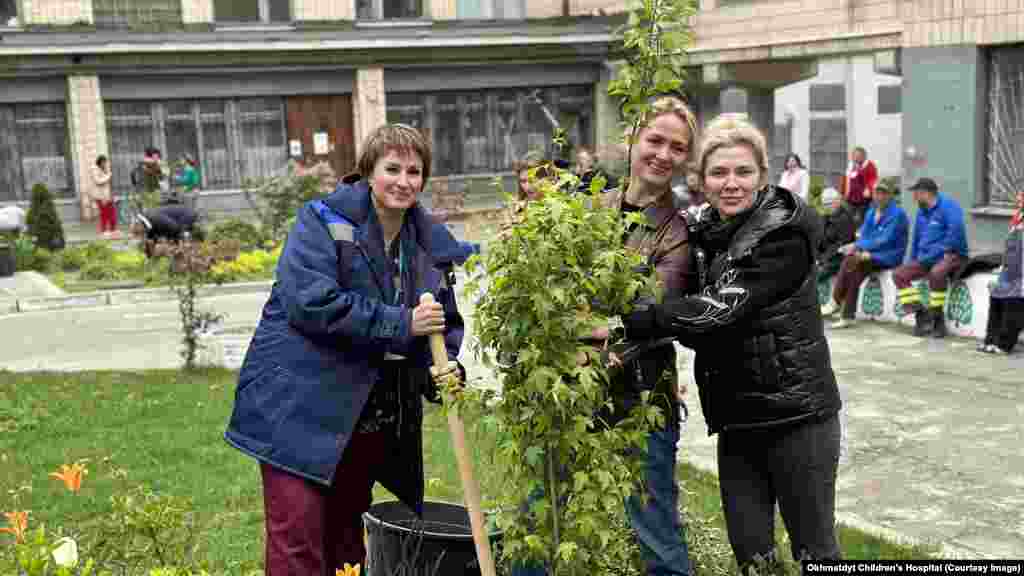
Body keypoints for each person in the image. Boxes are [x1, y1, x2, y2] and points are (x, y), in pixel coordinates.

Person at [224, 123, 466, 575]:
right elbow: (311, 303)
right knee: (298, 544)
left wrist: (446, 370)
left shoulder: (428, 244)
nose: (404, 180)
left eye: (415, 171)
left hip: (362, 419)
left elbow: (440, 327)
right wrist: (402, 322)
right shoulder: (320, 221)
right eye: (392, 168)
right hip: (296, 408)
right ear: (368, 173)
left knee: (346, 546)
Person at [620, 114, 843, 571]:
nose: (731, 183)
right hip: (739, 420)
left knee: (814, 552)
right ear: (700, 180)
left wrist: (628, 324)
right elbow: (668, 277)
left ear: (763, 175)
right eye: (718, 173)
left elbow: (720, 309)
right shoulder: (707, 231)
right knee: (752, 555)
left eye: (743, 171)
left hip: (796, 417)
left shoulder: (784, 234)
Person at [589, 95, 695, 576]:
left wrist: (592, 345)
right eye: (655, 139)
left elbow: (655, 311)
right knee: (543, 507)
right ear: (631, 139)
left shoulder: (677, 230)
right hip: (570, 389)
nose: (663, 154)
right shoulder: (594, 209)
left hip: (640, 393)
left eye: (677, 147)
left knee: (653, 526)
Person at [822, 176, 909, 328]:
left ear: (890, 195)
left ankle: (836, 301)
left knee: (852, 259)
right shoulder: (871, 212)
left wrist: (859, 248)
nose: (880, 197)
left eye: (884, 193)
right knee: (854, 267)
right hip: (869, 256)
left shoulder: (898, 214)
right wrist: (856, 247)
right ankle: (847, 315)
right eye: (877, 193)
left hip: (888, 256)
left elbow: (885, 239)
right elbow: (863, 234)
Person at [892, 177, 969, 338]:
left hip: (952, 254)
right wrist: (913, 259)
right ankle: (921, 314)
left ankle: (938, 320)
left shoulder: (948, 206)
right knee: (899, 274)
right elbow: (917, 238)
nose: (914, 198)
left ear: (926, 194)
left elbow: (956, 233)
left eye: (916, 194)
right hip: (926, 257)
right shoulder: (921, 211)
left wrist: (941, 252)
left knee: (937, 273)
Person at [978, 187, 1024, 354]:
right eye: (1018, 197)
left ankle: (1005, 344)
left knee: (1013, 301)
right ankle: (991, 340)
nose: (1018, 200)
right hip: (1010, 267)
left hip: (1020, 273)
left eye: (1021, 197)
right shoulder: (1017, 217)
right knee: (996, 296)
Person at [130, 204, 203, 256]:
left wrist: (173, 243)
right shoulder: (148, 223)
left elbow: (174, 228)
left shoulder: (155, 219)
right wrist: (149, 252)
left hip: (186, 216)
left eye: (138, 233)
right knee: (174, 242)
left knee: (182, 241)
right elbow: (151, 239)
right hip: (176, 222)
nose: (141, 235)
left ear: (139, 225)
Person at [817, 186, 857, 281]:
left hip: (840, 258)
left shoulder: (845, 218)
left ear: (837, 201)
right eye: (824, 204)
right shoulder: (826, 217)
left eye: (829, 204)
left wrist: (822, 259)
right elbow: (820, 239)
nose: (826, 207)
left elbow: (841, 244)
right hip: (827, 257)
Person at [841, 146, 878, 226]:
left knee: (863, 220)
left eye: (857, 156)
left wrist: (868, 188)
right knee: (848, 219)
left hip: (863, 200)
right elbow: (846, 180)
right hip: (850, 199)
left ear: (864, 156)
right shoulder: (850, 166)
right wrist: (842, 192)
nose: (855, 158)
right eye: (853, 156)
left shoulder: (869, 166)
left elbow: (873, 179)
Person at [90, 155, 120, 239]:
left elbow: (107, 184)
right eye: (104, 162)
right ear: (100, 162)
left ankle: (113, 230)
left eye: (106, 162)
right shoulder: (94, 170)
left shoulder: (105, 170)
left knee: (112, 213)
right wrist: (108, 176)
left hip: (107, 195)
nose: (105, 164)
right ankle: (103, 231)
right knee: (104, 214)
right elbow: (98, 181)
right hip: (100, 196)